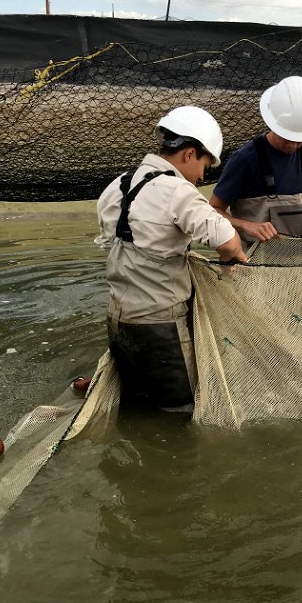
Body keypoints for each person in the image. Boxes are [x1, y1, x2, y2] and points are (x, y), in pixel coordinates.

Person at [96, 106, 247, 410]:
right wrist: (234, 260)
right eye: (206, 164)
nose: (203, 175)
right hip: (162, 325)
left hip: (119, 321)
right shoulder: (178, 191)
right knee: (179, 413)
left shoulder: (117, 186)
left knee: (136, 406)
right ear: (190, 154)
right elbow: (229, 242)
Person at [209, 75, 302, 245]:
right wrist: (246, 226)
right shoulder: (245, 159)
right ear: (273, 123)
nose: (293, 144)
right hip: (253, 265)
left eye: (300, 138)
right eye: (288, 137)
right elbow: (212, 211)